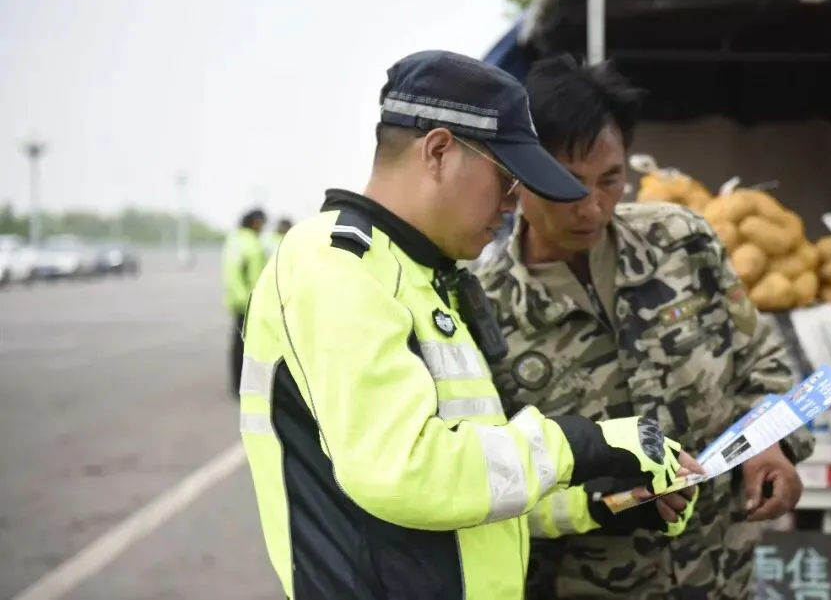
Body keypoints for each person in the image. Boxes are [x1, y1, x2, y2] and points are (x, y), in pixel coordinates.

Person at [236, 49, 705, 600]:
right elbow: (404, 472)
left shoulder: (424, 274)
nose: (514, 204)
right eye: (506, 180)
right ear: (438, 150)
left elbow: (468, 483)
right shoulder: (337, 265)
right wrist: (583, 446)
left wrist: (595, 503)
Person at [472, 54, 817, 600]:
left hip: (720, 579)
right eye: (567, 183)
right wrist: (601, 502)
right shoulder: (480, 308)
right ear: (520, 178)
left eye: (611, 179)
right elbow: (480, 482)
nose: (592, 206)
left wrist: (773, 447)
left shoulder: (683, 243)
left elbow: (764, 365)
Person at [222, 207, 267, 395]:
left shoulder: (233, 241)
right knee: (250, 347)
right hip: (249, 301)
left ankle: (235, 385)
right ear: (255, 222)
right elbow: (257, 278)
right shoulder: (252, 244)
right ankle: (247, 386)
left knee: (237, 345)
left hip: (235, 300)